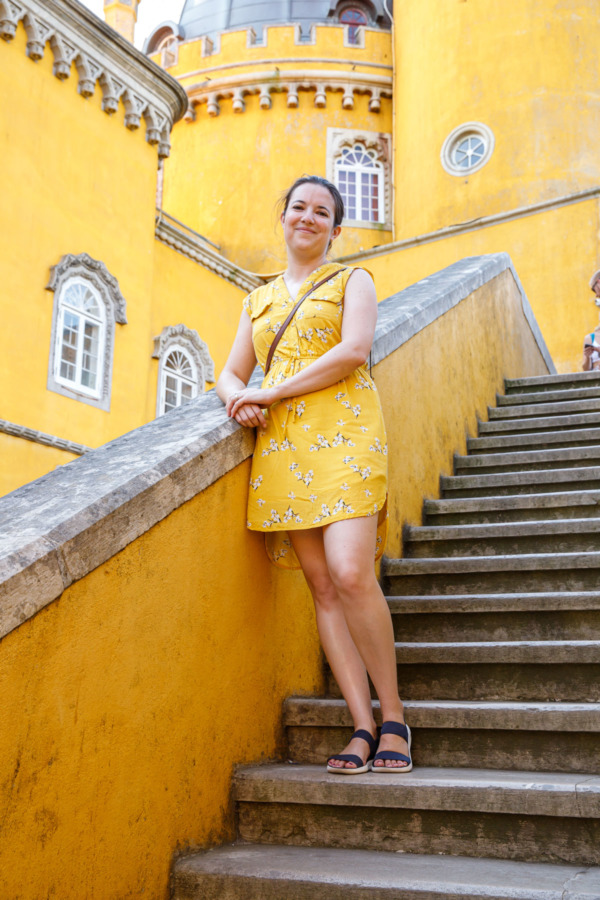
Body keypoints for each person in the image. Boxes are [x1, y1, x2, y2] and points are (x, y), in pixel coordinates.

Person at [216, 175, 411, 773]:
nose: (307, 217)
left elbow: (355, 350)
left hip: (348, 435)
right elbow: (228, 372)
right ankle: (359, 724)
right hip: (284, 448)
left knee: (352, 573)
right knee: (322, 588)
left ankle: (396, 716)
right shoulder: (259, 299)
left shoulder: (353, 281)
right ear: (283, 217)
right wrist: (236, 399)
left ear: (335, 227)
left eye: (320, 211)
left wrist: (270, 391)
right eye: (297, 207)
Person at [583, 268, 600, 371]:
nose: (597, 295)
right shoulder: (591, 337)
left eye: (595, 290)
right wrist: (588, 357)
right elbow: (585, 369)